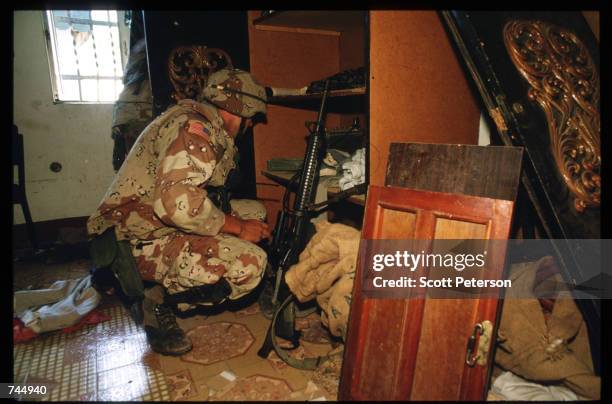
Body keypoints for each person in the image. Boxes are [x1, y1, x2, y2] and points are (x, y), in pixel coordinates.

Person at [87, 68, 271, 355]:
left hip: (150, 219)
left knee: (254, 212)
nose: (250, 126)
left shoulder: (200, 121)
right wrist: (237, 228)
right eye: (252, 119)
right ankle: (154, 298)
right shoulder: (193, 129)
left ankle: (167, 276)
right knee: (249, 264)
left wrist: (237, 222)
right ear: (242, 112)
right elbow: (178, 204)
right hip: (129, 239)